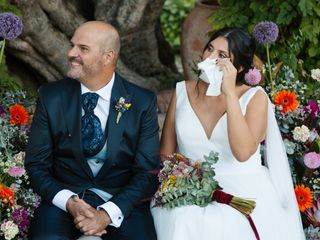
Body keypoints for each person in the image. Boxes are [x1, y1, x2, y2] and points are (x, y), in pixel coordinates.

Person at [151, 28, 305, 240]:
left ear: (239, 67)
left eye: (222, 56)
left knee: (224, 225)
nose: (210, 58)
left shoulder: (255, 98)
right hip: (188, 186)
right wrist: (184, 179)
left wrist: (230, 93)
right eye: (209, 49)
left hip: (243, 188)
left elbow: (243, 153)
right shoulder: (181, 91)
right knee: (181, 218)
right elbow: (166, 155)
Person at [25, 21, 160, 240]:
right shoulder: (51, 96)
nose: (71, 53)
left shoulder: (142, 101)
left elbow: (147, 172)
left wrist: (106, 214)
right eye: (72, 45)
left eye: (83, 48)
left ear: (108, 57)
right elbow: (36, 164)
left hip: (121, 202)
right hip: (63, 198)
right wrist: (69, 202)